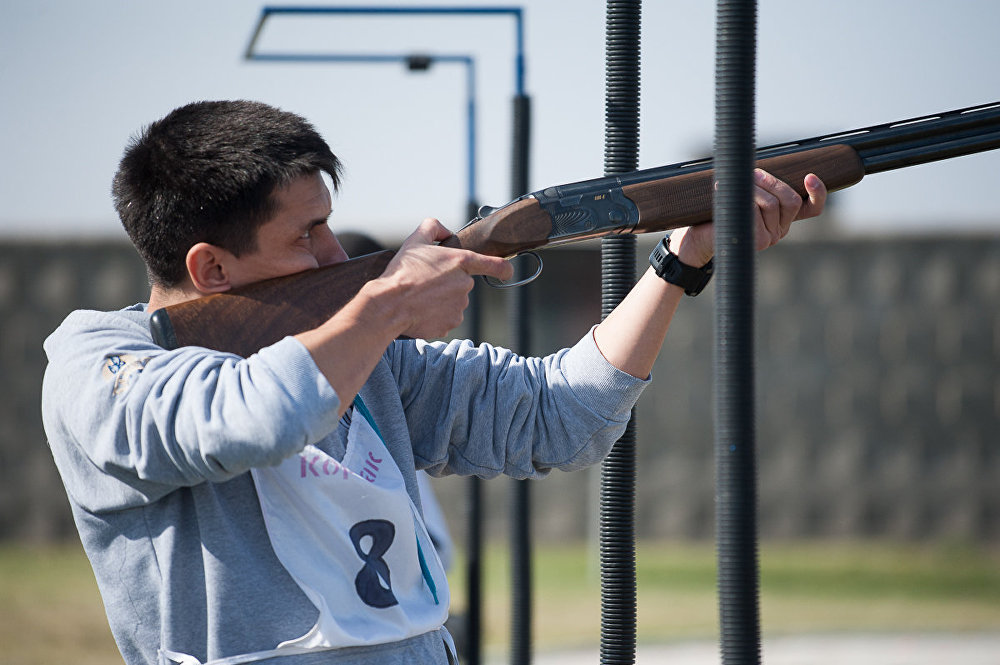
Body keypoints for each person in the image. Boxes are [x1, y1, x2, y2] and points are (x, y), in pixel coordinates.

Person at [41, 100, 826, 665]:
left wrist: (680, 261)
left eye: (328, 224)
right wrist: (387, 303)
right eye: (305, 236)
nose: (333, 255)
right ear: (210, 268)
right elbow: (246, 418)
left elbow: (558, 416)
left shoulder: (371, 354)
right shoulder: (99, 362)